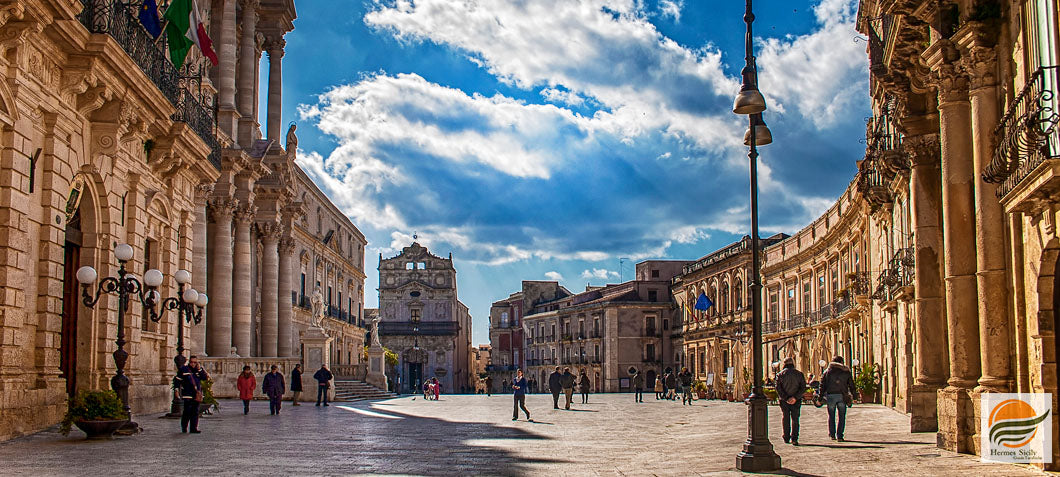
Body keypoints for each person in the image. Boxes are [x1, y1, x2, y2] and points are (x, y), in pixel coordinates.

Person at [820, 356, 856, 441]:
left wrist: (820, 397)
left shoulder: (827, 372)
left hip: (831, 396)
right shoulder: (846, 371)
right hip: (842, 395)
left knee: (831, 416)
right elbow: (851, 385)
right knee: (842, 416)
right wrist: (854, 396)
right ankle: (840, 435)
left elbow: (822, 385)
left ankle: (832, 434)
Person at [775, 357, 807, 445]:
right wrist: (795, 397)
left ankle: (786, 437)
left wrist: (786, 398)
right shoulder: (799, 374)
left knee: (786, 417)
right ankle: (794, 438)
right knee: (795, 419)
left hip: (784, 400)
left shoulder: (780, 375)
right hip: (796, 400)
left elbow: (778, 388)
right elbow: (803, 387)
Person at [176, 355, 209, 434]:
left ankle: (194, 428)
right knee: (187, 411)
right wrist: (176, 390)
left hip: (196, 394)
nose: (193, 364)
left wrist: (200, 369)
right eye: (191, 362)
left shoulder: (198, 370)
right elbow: (177, 380)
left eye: (195, 362)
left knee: (195, 412)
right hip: (187, 393)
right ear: (189, 362)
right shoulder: (184, 370)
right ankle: (184, 427)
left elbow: (205, 378)